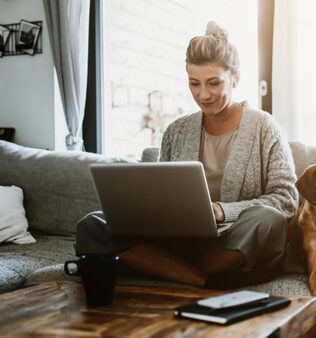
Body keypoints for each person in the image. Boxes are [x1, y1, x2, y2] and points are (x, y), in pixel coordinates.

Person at [75, 22, 298, 289]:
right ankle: (203, 280)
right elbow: (160, 194)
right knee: (92, 224)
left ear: (235, 78)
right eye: (194, 83)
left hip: (235, 241)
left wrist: (222, 211)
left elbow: (286, 199)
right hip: (181, 240)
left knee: (267, 219)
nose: (203, 94)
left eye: (214, 83)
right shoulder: (176, 131)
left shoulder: (265, 127)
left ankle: (168, 268)